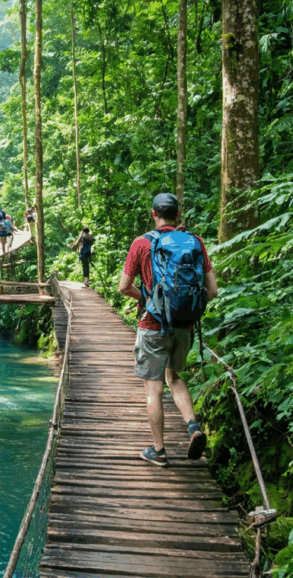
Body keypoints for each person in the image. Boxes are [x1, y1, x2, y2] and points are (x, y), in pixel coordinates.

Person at [118, 193, 218, 467]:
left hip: (152, 325)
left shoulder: (141, 243)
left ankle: (159, 450)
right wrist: (185, 309)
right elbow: (213, 290)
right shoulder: (195, 242)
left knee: (153, 386)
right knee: (174, 378)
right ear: (177, 215)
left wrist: (148, 300)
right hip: (184, 325)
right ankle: (193, 426)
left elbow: (123, 286)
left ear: (153, 213)